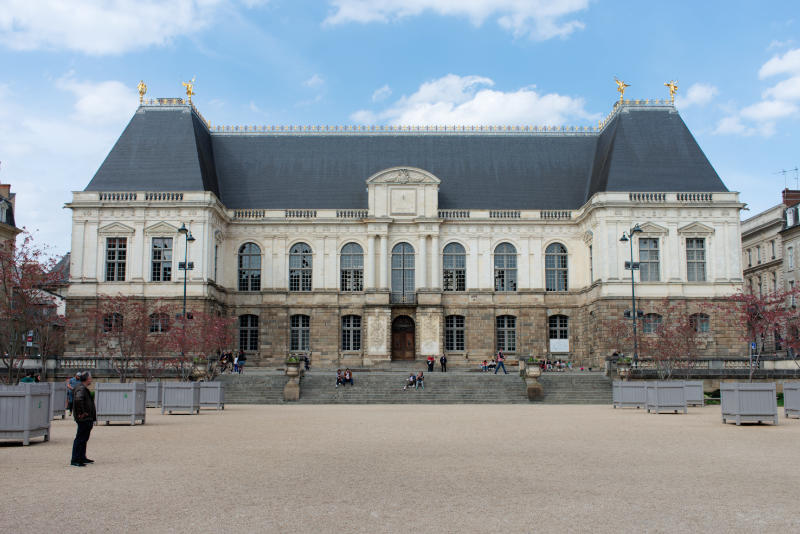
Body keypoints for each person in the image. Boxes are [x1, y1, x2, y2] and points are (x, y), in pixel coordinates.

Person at [70, 371, 96, 467]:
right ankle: (76, 459)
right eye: (90, 377)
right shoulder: (81, 388)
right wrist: (82, 414)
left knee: (83, 438)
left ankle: (81, 457)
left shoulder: (82, 388)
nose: (91, 379)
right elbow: (78, 400)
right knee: (80, 438)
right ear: (87, 379)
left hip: (85, 417)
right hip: (84, 418)